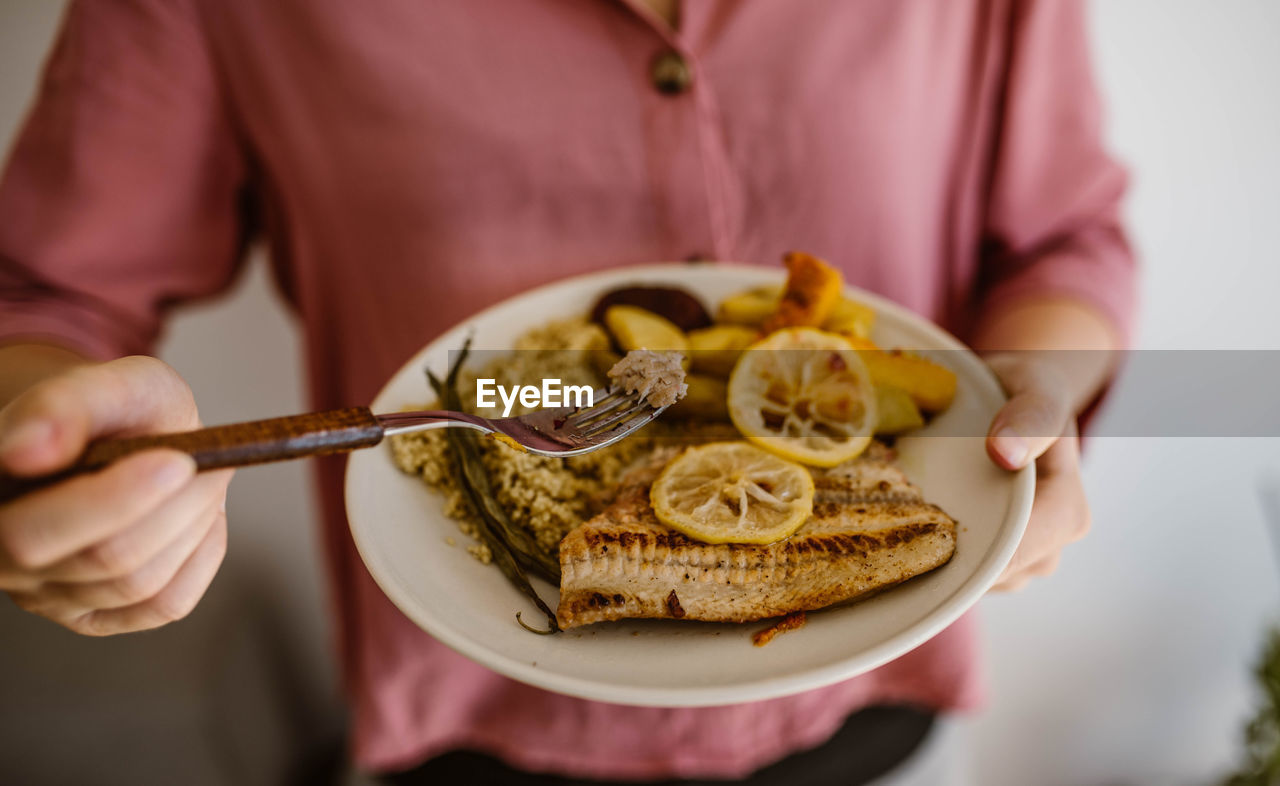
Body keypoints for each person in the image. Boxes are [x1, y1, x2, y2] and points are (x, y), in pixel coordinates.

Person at [0, 1, 1134, 783]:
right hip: (473, 737)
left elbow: (1063, 241)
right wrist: (51, 430)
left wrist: (1035, 392)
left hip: (883, 700)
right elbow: (44, 299)